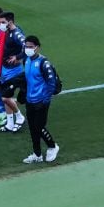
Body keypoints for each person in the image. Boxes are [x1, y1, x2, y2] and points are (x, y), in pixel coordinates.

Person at [20, 35, 59, 164]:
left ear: (37, 48)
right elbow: (27, 80)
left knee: (39, 127)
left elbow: (51, 83)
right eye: (26, 46)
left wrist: (45, 99)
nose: (28, 49)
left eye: (30, 47)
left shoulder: (44, 63)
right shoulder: (27, 60)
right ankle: (37, 154)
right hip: (30, 100)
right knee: (32, 128)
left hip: (41, 101)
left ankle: (53, 146)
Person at [0, 11, 28, 132]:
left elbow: (27, 45)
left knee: (5, 97)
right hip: (5, 68)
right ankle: (9, 123)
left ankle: (19, 117)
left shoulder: (16, 34)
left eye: (3, 22)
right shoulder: (7, 31)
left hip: (13, 70)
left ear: (10, 22)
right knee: (6, 96)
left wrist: (17, 57)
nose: (1, 25)